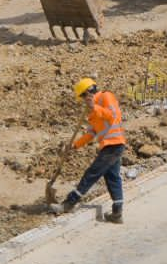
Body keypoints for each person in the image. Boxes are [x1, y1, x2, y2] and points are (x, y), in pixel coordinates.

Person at [50, 77, 125, 223]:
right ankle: (117, 214)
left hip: (114, 144)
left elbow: (113, 117)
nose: (83, 100)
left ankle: (68, 203)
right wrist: (75, 145)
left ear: (88, 92)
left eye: (83, 96)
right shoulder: (91, 110)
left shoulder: (105, 96)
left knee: (91, 173)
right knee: (112, 178)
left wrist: (94, 107)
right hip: (109, 145)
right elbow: (91, 133)